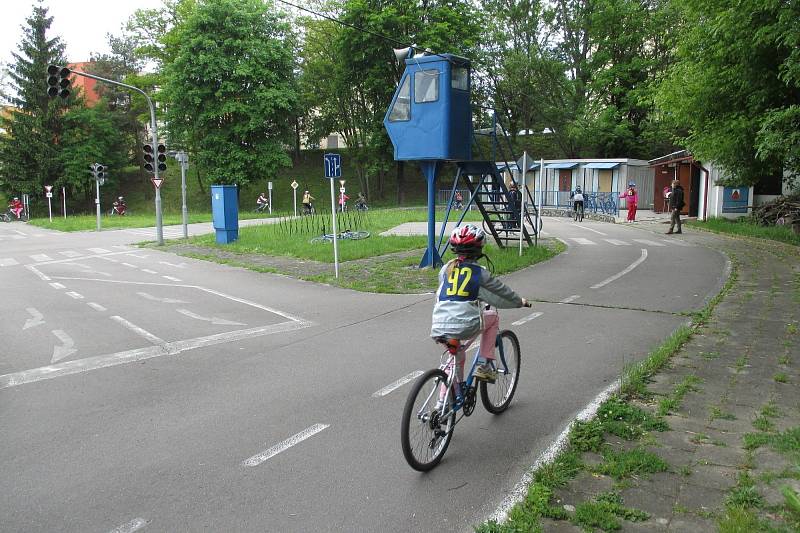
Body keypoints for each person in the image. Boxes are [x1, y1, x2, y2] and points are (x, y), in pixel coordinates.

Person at [431, 225, 529, 384]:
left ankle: (444, 401)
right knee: (492, 317)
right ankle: (484, 365)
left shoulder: (445, 269)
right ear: (479, 249)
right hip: (465, 325)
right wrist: (519, 301)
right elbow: (501, 291)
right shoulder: (479, 272)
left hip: (438, 325)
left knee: (456, 356)